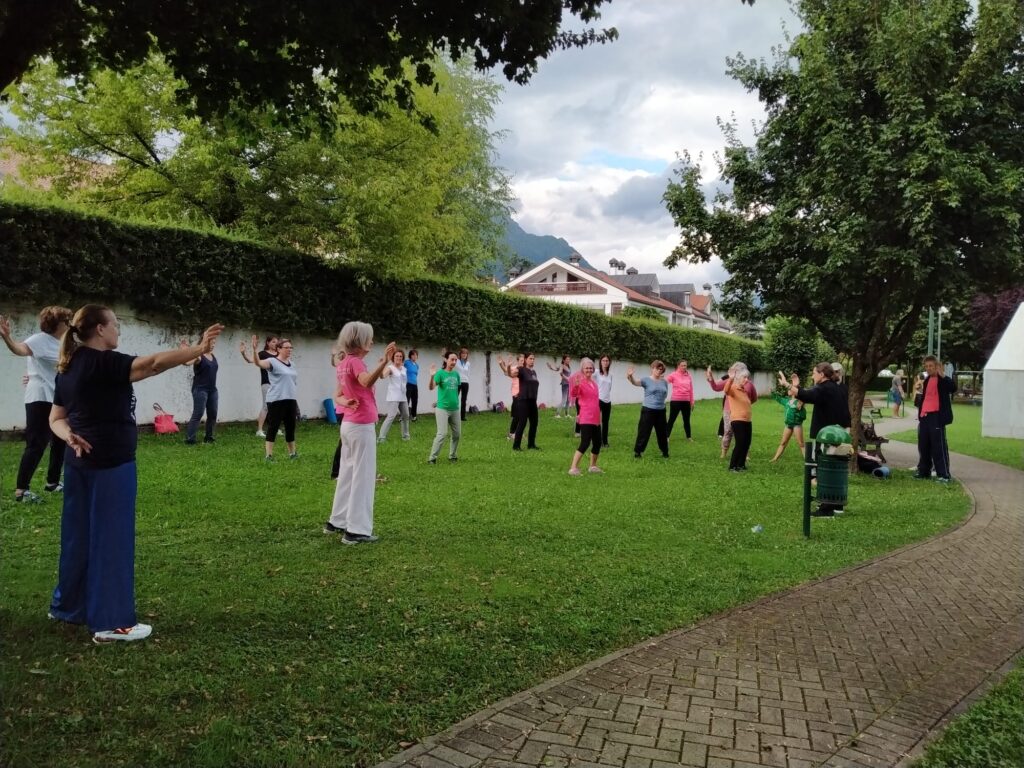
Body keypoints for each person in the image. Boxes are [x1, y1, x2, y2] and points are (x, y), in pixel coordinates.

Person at [47, 304, 222, 643]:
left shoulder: (68, 366)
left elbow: (56, 418)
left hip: (79, 464)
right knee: (111, 541)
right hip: (111, 465)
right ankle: (112, 622)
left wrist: (68, 435)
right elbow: (153, 364)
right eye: (115, 324)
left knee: (78, 538)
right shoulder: (104, 363)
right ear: (99, 329)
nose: (119, 330)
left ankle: (68, 607)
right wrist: (200, 349)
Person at [324, 322, 396, 544]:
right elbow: (365, 382)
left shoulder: (344, 363)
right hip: (361, 426)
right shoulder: (355, 362)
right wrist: (384, 361)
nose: (372, 342)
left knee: (347, 473)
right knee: (363, 477)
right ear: (360, 341)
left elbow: (337, 394)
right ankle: (356, 530)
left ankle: (337, 521)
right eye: (369, 338)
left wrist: (347, 400)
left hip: (348, 425)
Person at [1, 306, 72, 503]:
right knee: (37, 443)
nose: (69, 324)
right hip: (40, 396)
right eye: (67, 321)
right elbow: (19, 349)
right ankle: (21, 491)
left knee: (60, 441)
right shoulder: (39, 340)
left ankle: (53, 482)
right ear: (57, 323)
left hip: (57, 398)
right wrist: (7, 338)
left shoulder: (64, 343)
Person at [786, 362, 850, 517]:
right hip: (840, 434)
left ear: (822, 375)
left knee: (824, 469)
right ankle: (837, 505)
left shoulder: (824, 388)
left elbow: (808, 395)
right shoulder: (839, 387)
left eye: (814, 373)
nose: (812, 375)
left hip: (826, 435)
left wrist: (789, 385)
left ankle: (826, 507)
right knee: (836, 469)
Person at [251, 335, 298, 461]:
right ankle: (269, 455)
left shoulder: (292, 364)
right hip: (276, 399)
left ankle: (292, 453)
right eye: (286, 347)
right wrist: (255, 350)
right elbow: (258, 363)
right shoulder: (272, 362)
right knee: (273, 427)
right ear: (279, 349)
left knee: (290, 427)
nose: (289, 350)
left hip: (290, 399)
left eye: (290, 347)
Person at [912, 356, 956, 483]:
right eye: (926, 366)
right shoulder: (926, 381)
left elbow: (953, 388)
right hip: (925, 416)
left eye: (931, 366)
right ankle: (924, 471)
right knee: (923, 445)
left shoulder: (942, 380)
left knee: (938, 446)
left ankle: (944, 474)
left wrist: (943, 376)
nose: (928, 368)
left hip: (937, 417)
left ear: (936, 366)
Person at [707, 362, 758, 459]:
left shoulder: (749, 384)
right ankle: (724, 452)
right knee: (728, 432)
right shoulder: (729, 381)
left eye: (736, 370)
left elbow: (754, 398)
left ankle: (745, 453)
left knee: (743, 433)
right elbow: (716, 387)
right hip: (728, 411)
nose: (734, 372)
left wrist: (744, 404)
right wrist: (711, 379)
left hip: (741, 413)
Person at [180, 335, 219, 444]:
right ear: (204, 343)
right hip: (200, 389)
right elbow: (186, 363)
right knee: (198, 414)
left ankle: (209, 438)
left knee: (213, 414)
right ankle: (190, 439)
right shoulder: (199, 356)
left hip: (213, 390)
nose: (212, 345)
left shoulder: (212, 355)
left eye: (214, 343)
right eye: (210, 343)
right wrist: (184, 353)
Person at [568, 358, 603, 475]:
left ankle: (592, 466)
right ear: (582, 369)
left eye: (590, 368)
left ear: (593, 369)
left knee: (598, 442)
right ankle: (573, 468)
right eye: (586, 368)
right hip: (586, 417)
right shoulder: (580, 382)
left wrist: (600, 416)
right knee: (585, 442)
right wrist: (576, 386)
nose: (588, 369)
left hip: (596, 417)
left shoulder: (594, 384)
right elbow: (574, 394)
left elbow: (596, 401)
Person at [627, 360, 669, 459]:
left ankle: (665, 452)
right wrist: (630, 376)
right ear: (652, 368)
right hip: (648, 410)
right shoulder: (646, 380)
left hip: (661, 410)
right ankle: (638, 452)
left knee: (662, 432)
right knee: (644, 431)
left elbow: (665, 394)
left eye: (661, 369)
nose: (658, 371)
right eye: (657, 368)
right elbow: (635, 383)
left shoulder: (664, 382)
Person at [239, 336, 278, 437]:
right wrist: (243, 353)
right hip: (267, 383)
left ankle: (275, 428)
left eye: (276, 342)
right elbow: (250, 360)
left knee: (277, 406)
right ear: (268, 343)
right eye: (273, 342)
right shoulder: (263, 353)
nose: (275, 344)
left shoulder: (279, 354)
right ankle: (259, 430)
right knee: (266, 406)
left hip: (278, 384)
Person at [428, 352, 462, 463]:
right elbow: (431, 387)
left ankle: (452, 456)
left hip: (455, 409)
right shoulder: (440, 374)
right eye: (452, 359)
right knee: (442, 434)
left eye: (455, 360)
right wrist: (432, 376)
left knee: (457, 434)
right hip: (442, 409)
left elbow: (455, 391)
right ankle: (432, 458)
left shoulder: (456, 375)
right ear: (446, 360)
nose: (454, 362)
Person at [770, 371, 806, 461]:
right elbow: (779, 399)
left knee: (801, 444)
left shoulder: (799, 403)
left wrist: (798, 412)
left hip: (796, 425)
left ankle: (807, 461)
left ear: (794, 391)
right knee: (783, 442)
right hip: (788, 425)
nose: (788, 390)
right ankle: (775, 459)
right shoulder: (787, 401)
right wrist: (773, 393)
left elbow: (803, 416)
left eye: (790, 389)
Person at [507, 352, 540, 450]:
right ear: (525, 359)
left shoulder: (533, 372)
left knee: (534, 422)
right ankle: (516, 446)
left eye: (533, 359)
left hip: (532, 401)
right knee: (522, 422)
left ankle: (531, 444)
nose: (532, 360)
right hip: (523, 400)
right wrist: (508, 366)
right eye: (530, 358)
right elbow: (511, 374)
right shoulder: (521, 370)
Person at [723, 368, 754, 471]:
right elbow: (726, 390)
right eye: (744, 377)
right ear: (739, 378)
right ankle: (732, 466)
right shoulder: (733, 388)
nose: (747, 379)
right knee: (740, 443)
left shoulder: (744, 391)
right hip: (738, 420)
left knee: (746, 443)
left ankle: (741, 464)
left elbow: (752, 401)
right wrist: (730, 379)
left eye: (747, 377)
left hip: (747, 421)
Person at [378, 349, 410, 442]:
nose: (399, 358)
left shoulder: (404, 369)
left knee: (406, 416)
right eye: (397, 356)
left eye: (400, 356)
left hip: (403, 396)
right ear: (393, 357)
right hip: (393, 396)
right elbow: (382, 376)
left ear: (402, 358)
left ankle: (406, 436)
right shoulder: (390, 368)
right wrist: (380, 367)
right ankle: (381, 438)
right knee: (391, 416)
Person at [665, 359, 696, 441]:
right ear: (678, 366)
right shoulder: (673, 375)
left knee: (686, 420)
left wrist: (692, 401)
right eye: (682, 365)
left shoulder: (688, 376)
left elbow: (691, 390)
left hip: (686, 401)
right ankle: (666, 436)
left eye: (685, 365)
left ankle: (689, 437)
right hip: (676, 401)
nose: (684, 367)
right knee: (672, 419)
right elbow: (664, 382)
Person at [498, 353, 525, 440]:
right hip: (516, 394)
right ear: (518, 361)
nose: (523, 361)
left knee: (522, 415)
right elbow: (507, 372)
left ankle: (518, 432)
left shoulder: (524, 369)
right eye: (521, 360)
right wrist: (501, 364)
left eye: (523, 360)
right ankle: (511, 433)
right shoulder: (515, 368)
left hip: (523, 394)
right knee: (517, 415)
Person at [330, 349, 346, 480]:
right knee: (344, 442)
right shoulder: (344, 367)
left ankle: (345, 471)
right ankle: (336, 473)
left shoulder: (346, 366)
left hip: (348, 409)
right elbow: (335, 362)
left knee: (348, 442)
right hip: (344, 409)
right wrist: (334, 354)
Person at [596, 355, 613, 447]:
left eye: (607, 360)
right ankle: (597, 440)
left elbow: (610, 388)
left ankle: (605, 442)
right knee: (597, 422)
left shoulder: (610, 374)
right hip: (599, 400)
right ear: (600, 362)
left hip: (608, 401)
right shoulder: (596, 372)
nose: (605, 362)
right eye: (603, 360)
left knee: (606, 422)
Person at [832, 362, 852, 428]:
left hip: (844, 421)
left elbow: (845, 405)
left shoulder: (844, 387)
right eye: (833, 371)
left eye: (837, 371)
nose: (836, 374)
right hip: (831, 421)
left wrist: (848, 422)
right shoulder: (828, 386)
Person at [455, 347, 471, 421]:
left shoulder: (468, 363)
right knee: (454, 399)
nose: (464, 355)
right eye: (463, 353)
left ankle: (462, 416)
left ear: (467, 355)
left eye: (466, 353)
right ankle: (453, 415)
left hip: (465, 383)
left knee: (463, 400)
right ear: (460, 354)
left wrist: (467, 380)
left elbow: (468, 373)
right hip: (457, 382)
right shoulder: (456, 361)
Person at [404, 349, 420, 422]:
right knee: (406, 400)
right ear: (410, 356)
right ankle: (403, 416)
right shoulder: (406, 362)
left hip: (415, 385)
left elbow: (415, 374)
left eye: (416, 355)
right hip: (408, 384)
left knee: (415, 401)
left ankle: (414, 416)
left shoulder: (417, 365)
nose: (415, 356)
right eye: (413, 355)